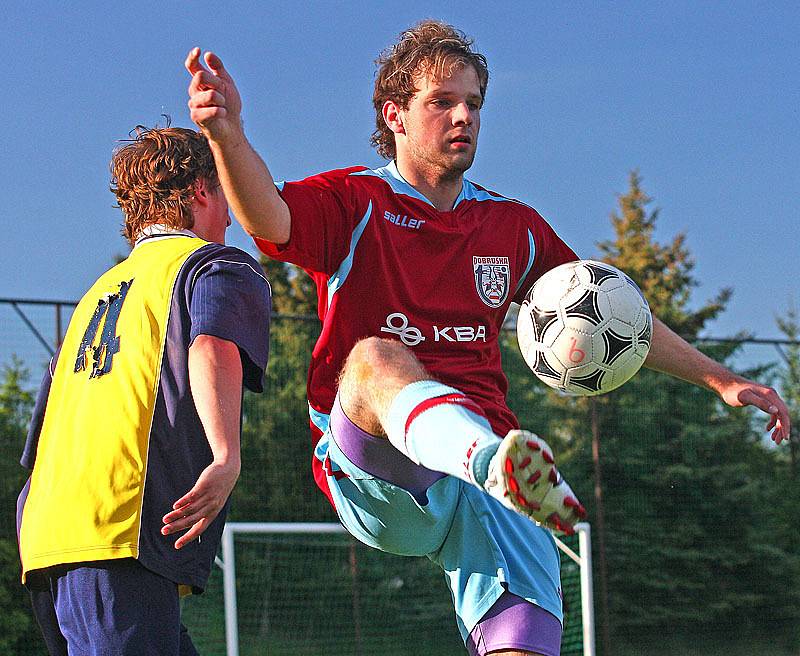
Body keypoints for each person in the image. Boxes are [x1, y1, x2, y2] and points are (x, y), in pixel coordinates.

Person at [181, 21, 791, 656]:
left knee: (522, 641)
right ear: (394, 114)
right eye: (441, 101)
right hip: (380, 466)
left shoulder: (513, 226)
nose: (462, 116)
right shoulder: (355, 200)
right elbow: (267, 218)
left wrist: (724, 379)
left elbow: (617, 320)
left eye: (473, 103)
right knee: (373, 358)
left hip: (495, 464)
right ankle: (487, 463)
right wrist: (227, 135)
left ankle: (495, 472)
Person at [17, 125, 272, 655]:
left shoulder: (96, 296)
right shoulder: (211, 265)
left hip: (48, 539)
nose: (231, 213)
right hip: (118, 537)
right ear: (202, 190)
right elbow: (211, 345)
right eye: (224, 189)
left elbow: (40, 439)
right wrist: (226, 456)